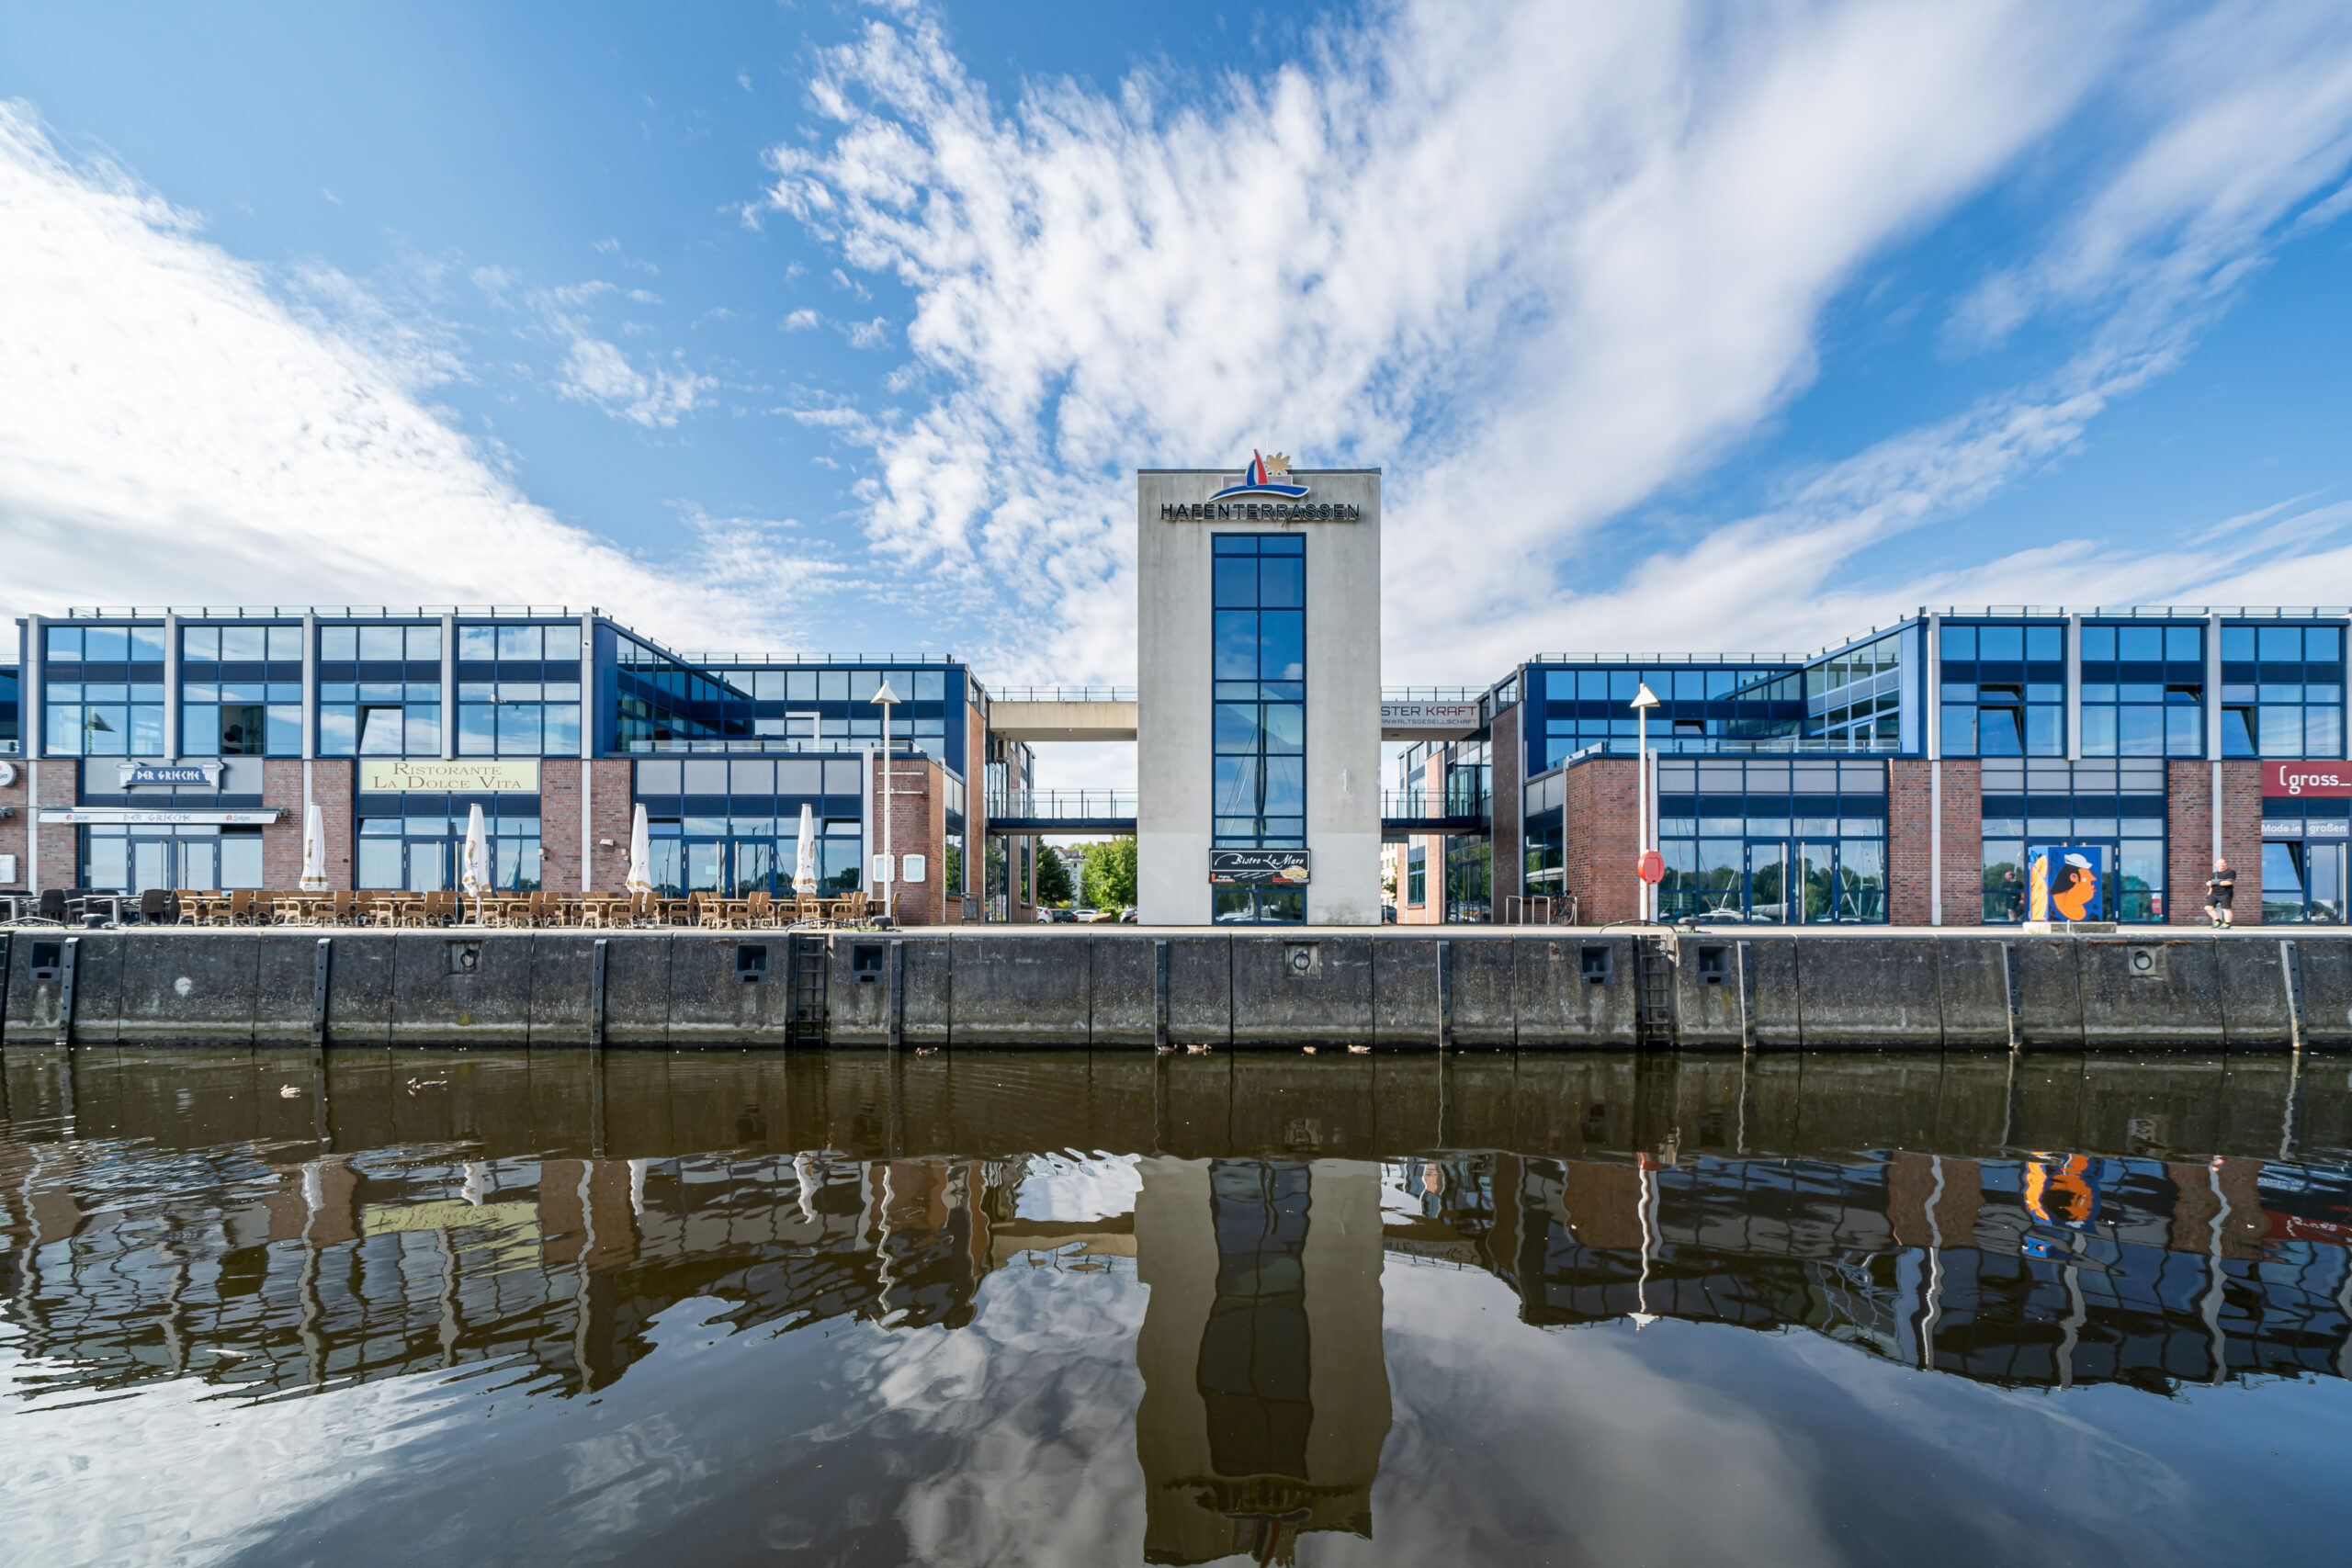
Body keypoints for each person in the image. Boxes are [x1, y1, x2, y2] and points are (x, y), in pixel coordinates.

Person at [2204, 857, 2235, 929]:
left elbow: (2228, 882)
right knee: (2208, 907)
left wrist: (2214, 882)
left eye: (2223, 863)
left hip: (2225, 893)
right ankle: (2218, 921)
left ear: (2226, 864)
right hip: (2214, 893)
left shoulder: (2230, 872)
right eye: (2220, 863)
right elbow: (2211, 885)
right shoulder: (2214, 874)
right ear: (2216, 865)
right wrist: (2209, 892)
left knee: (2226, 908)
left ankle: (2227, 924)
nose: (2222, 865)